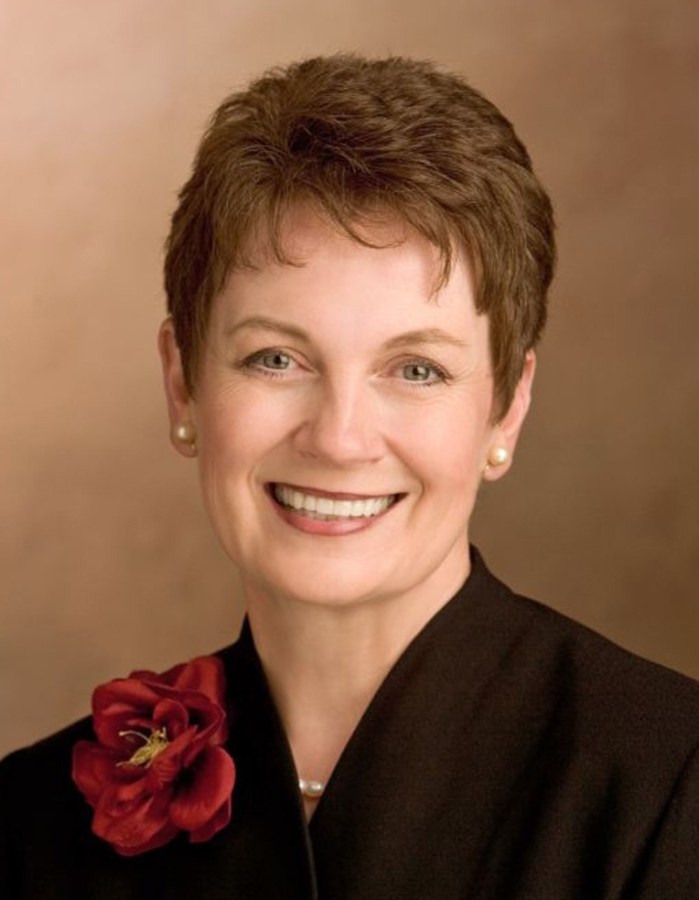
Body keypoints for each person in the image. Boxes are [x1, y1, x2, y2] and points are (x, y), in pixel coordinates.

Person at [1, 53, 698, 899]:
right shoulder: (30, 824)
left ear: (506, 408)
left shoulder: (668, 785)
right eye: (276, 358)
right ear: (182, 382)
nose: (338, 438)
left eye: (415, 370)